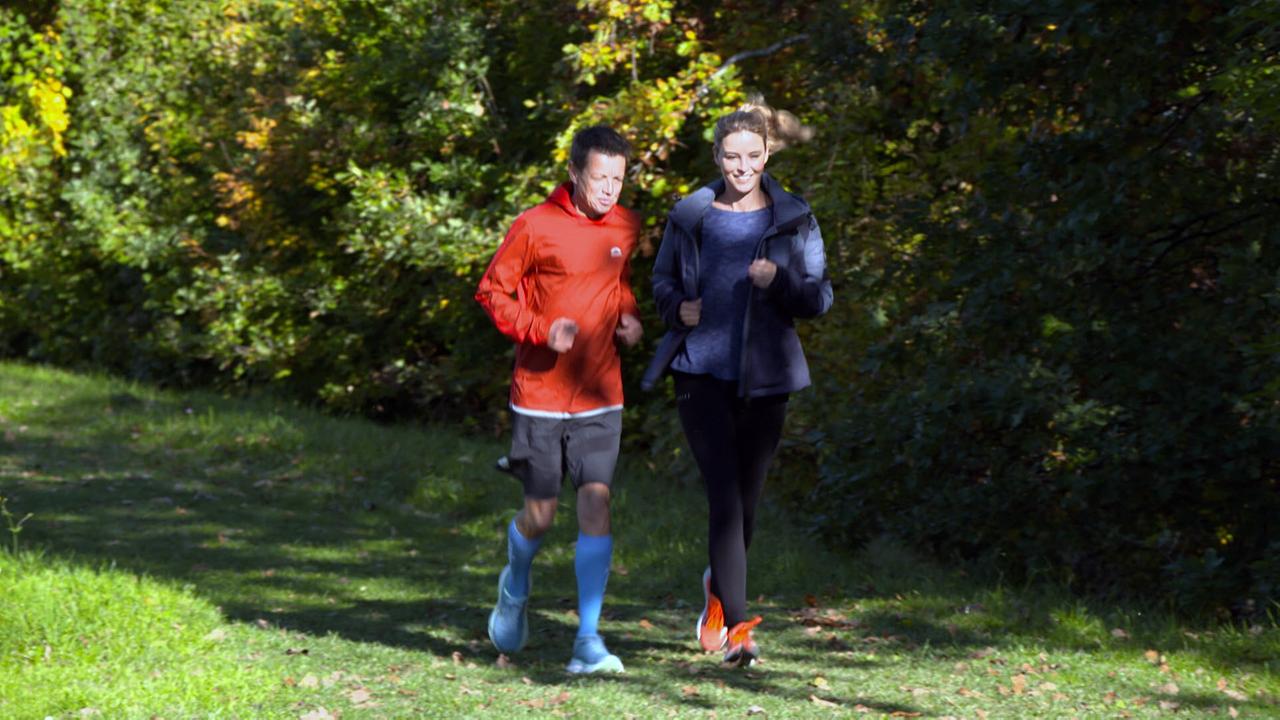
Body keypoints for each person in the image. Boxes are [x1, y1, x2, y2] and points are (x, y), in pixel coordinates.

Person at [641, 99, 832, 667]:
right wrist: (678, 308)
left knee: (745, 505)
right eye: (731, 156)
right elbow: (661, 281)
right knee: (723, 498)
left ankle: (718, 600)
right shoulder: (690, 215)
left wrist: (779, 281)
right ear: (717, 156)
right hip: (699, 373)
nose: (742, 166)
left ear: (768, 153)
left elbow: (819, 297)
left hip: (767, 378)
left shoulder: (794, 217)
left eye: (752, 155)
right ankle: (740, 628)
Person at [475, 125, 643, 674]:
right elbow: (492, 291)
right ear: (574, 173)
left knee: (596, 501)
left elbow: (616, 285)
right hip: (541, 396)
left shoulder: (625, 225)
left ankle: (587, 643)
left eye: (618, 179)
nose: (609, 190)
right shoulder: (534, 225)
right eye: (600, 178)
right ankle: (515, 583)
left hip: (601, 394)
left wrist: (630, 318)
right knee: (541, 516)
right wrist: (540, 330)